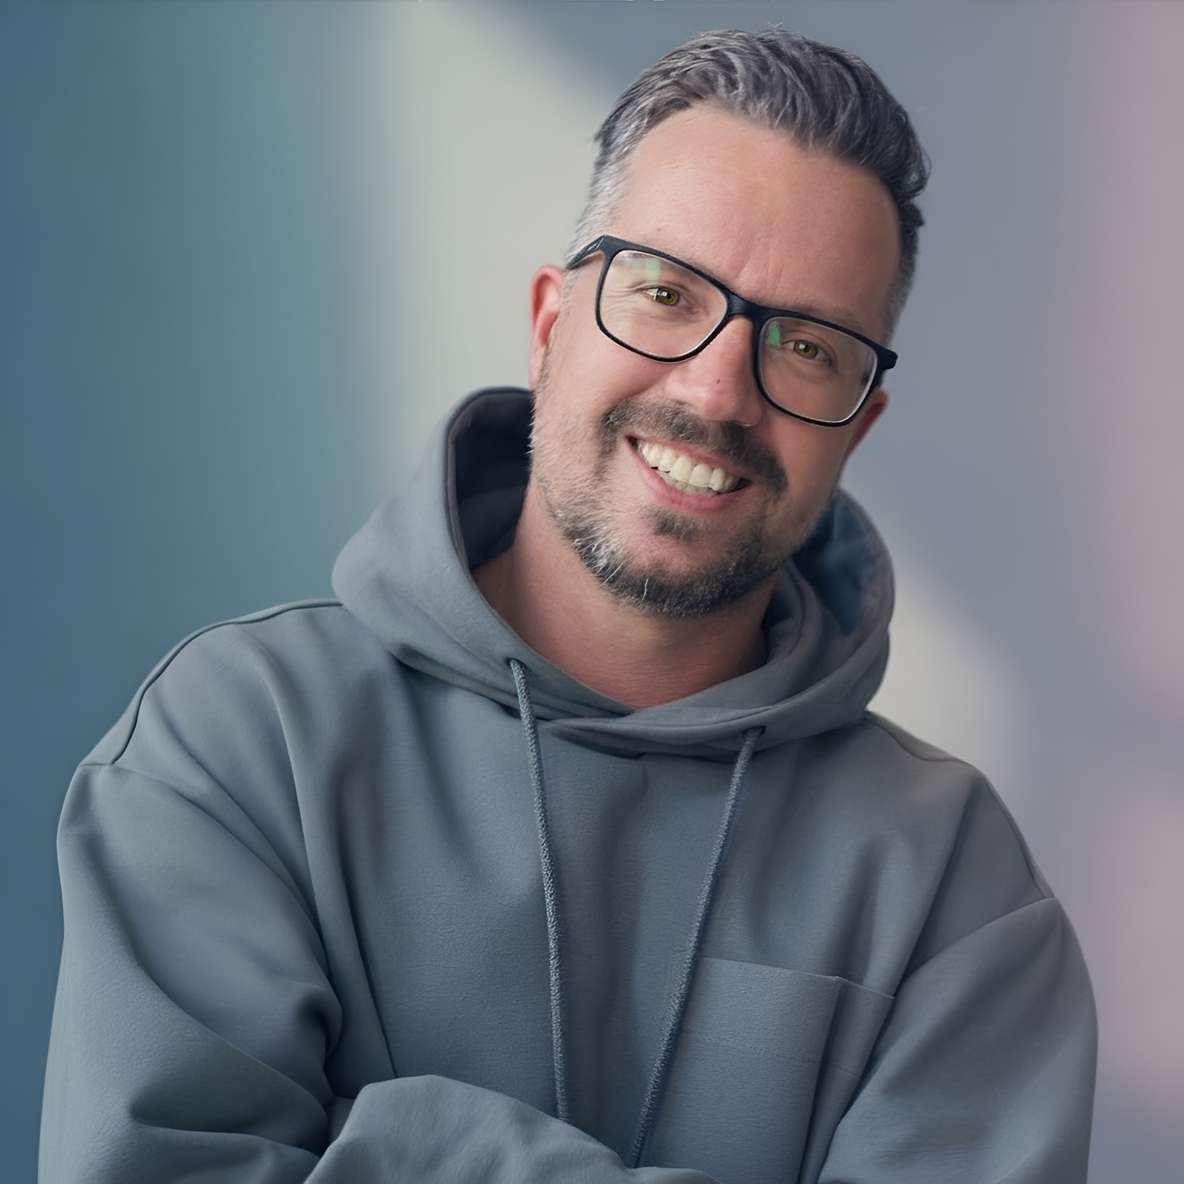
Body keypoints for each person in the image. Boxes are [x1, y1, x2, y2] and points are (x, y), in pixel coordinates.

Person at [40, 28, 1096, 1184]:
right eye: (664, 292)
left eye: (804, 346)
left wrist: (401, 1145)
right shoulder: (240, 747)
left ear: (857, 423)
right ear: (550, 323)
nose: (715, 391)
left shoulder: (954, 887)